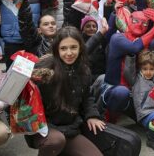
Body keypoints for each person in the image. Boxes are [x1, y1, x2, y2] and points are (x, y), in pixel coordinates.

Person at [26, 26, 105, 156]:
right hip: (44, 128)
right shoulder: (44, 68)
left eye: (73, 47)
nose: (69, 53)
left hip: (70, 128)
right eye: (63, 48)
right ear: (57, 49)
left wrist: (93, 116)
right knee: (56, 141)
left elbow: (87, 97)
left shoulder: (84, 70)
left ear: (80, 48)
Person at [101, 9, 154, 122]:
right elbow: (134, 47)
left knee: (150, 119)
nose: (140, 25)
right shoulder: (117, 38)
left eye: (145, 23)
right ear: (129, 20)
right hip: (114, 89)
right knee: (121, 93)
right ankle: (108, 118)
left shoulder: (148, 40)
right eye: (136, 20)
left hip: (137, 92)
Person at [124, 49, 154, 153]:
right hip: (146, 113)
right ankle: (153, 139)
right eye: (145, 69)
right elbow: (128, 70)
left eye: (151, 69)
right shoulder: (136, 79)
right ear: (140, 68)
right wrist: (131, 53)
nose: (148, 72)